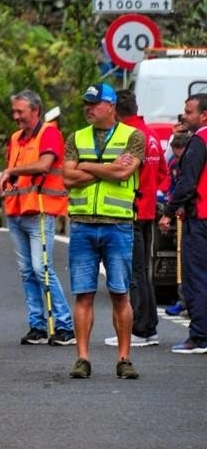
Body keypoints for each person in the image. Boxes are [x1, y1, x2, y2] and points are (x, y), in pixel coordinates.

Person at [63, 82, 144, 380]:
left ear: (110, 106)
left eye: (94, 103)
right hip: (83, 224)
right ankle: (82, 358)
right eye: (86, 103)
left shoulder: (133, 137)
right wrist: (105, 167)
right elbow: (67, 179)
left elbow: (124, 172)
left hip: (118, 225)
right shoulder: (76, 137)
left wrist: (85, 165)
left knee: (120, 294)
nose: (88, 108)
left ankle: (124, 358)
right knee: (82, 294)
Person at [0, 89, 75, 346]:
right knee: (26, 271)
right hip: (17, 211)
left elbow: (43, 165)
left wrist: (10, 170)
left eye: (20, 111)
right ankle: (38, 326)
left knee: (42, 269)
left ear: (35, 111)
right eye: (14, 111)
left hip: (40, 209)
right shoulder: (16, 138)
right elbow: (18, 174)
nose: (15, 116)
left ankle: (64, 326)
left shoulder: (49, 133)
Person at [103, 89, 165, 347]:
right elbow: (163, 172)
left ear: (115, 110)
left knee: (132, 273)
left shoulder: (127, 136)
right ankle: (148, 327)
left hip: (132, 209)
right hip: (149, 208)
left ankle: (139, 328)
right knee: (142, 270)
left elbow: (119, 172)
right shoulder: (150, 135)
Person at [158, 94, 207, 354]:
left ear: (204, 115)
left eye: (189, 112)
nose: (183, 116)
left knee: (196, 278)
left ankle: (199, 336)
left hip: (199, 218)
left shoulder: (200, 141)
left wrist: (169, 211)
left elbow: (187, 182)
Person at [162, 131, 191, 316]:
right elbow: (173, 186)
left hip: (194, 213)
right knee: (182, 259)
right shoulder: (173, 163)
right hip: (181, 214)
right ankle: (183, 300)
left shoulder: (195, 160)